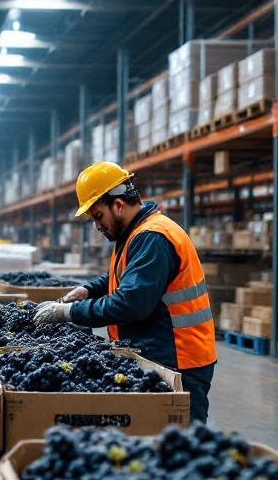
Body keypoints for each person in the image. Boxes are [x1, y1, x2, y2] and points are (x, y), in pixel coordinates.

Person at [32, 161, 216, 422]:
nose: (96, 226)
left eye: (98, 216)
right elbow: (124, 276)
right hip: (161, 352)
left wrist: (69, 312)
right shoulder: (135, 234)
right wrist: (87, 290)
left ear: (117, 205)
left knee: (183, 448)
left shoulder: (153, 237)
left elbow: (131, 303)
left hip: (180, 361)